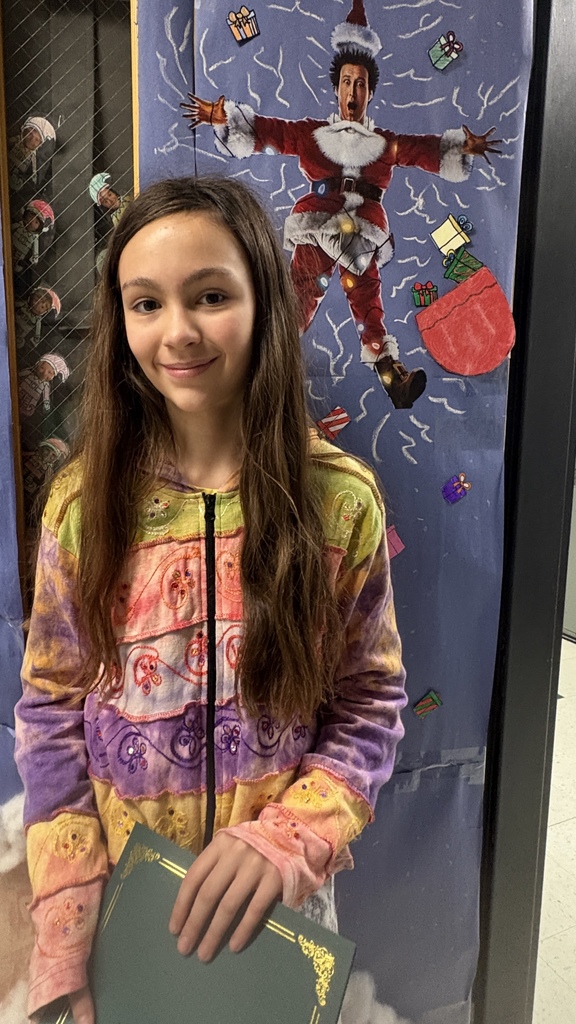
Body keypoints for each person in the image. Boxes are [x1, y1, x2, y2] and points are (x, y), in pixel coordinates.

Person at [15, 175, 407, 1023]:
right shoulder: (85, 508)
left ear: (266, 299)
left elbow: (370, 704)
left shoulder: (340, 503)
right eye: (145, 303)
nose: (178, 331)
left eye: (211, 295)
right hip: (126, 906)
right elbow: (50, 708)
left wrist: (284, 840)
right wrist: (66, 924)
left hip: (279, 908)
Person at [182, 0, 500, 410]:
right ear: (336, 89)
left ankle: (392, 377)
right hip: (318, 223)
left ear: (370, 92)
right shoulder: (312, 134)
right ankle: (256, 368)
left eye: (361, 84)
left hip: (361, 234)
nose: (353, 91)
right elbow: (269, 131)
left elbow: (424, 150)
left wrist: (463, 147)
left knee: (368, 305)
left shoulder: (385, 143)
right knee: (299, 299)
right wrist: (223, 119)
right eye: (347, 82)